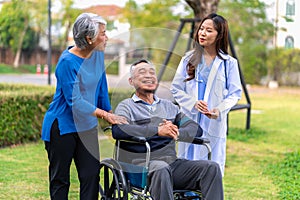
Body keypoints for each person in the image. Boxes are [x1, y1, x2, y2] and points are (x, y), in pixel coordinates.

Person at [41, 13, 127, 200]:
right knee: (60, 179)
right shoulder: (67, 62)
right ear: (89, 38)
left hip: (86, 126)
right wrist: (104, 115)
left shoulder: (97, 55)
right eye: (103, 33)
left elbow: (101, 85)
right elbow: (75, 102)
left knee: (91, 175)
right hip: (62, 126)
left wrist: (111, 114)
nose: (107, 37)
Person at [112, 59, 224, 200]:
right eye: (142, 72)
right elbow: (118, 130)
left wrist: (176, 131)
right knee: (161, 167)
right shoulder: (126, 106)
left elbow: (195, 129)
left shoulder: (170, 107)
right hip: (140, 167)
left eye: (152, 72)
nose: (148, 75)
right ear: (131, 81)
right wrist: (157, 130)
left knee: (211, 168)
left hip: (172, 164)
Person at [171, 13, 242, 176]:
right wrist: (193, 103)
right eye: (201, 29)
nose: (202, 33)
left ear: (219, 35)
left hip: (213, 122)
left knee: (211, 163)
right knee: (187, 163)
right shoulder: (188, 59)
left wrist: (219, 109)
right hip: (190, 119)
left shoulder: (229, 63)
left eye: (209, 30)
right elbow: (176, 88)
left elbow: (234, 93)